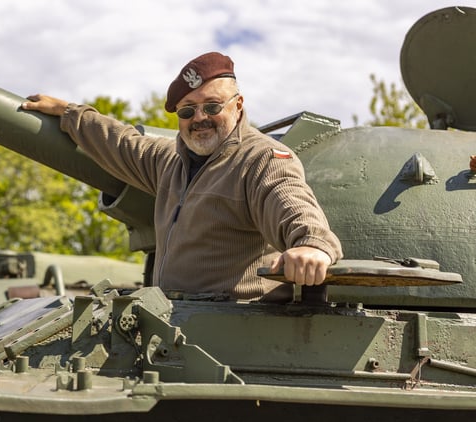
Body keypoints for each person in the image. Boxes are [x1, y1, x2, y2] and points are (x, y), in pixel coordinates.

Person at [21, 52, 342, 302]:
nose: (199, 118)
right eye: (187, 111)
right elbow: (120, 143)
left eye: (212, 106)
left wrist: (312, 245)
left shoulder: (262, 158)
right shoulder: (170, 160)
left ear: (238, 105)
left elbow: (290, 200)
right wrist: (70, 113)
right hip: (174, 321)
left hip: (237, 328)